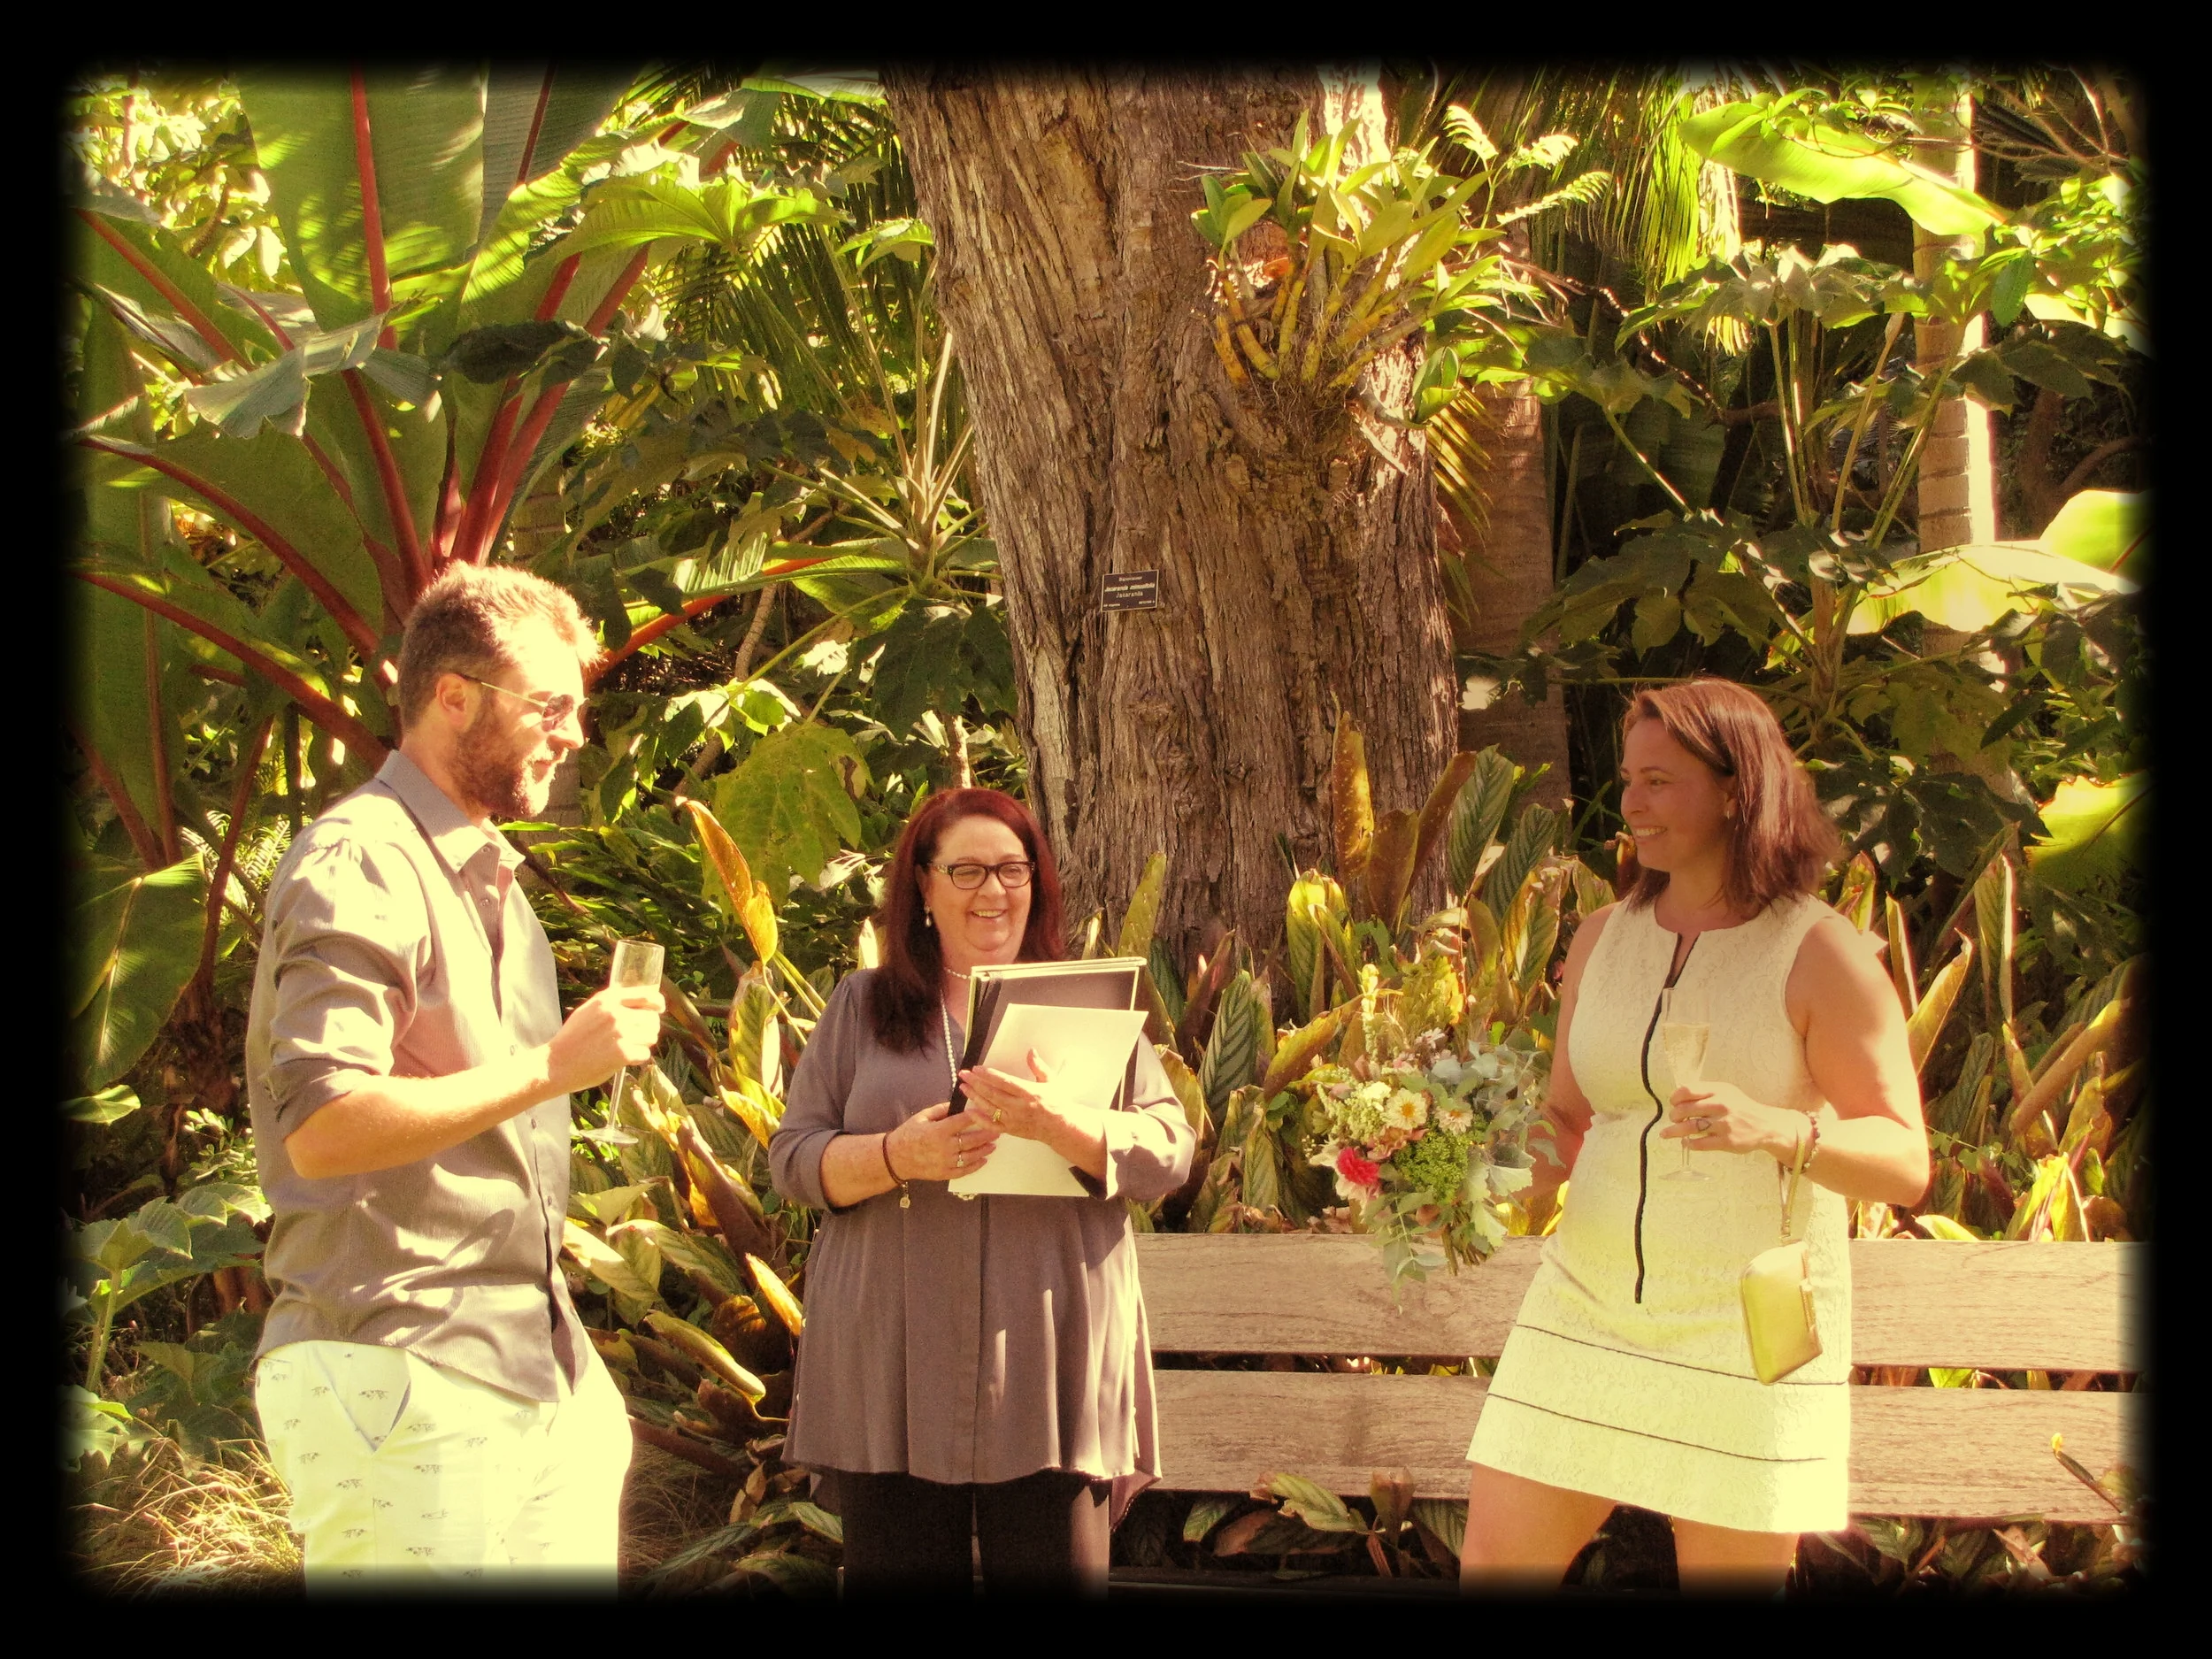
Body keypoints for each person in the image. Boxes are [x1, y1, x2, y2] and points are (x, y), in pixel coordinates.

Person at [246, 565, 664, 1590]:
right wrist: (550, 1067)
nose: (572, 734)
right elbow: (325, 1124)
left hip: (531, 1368)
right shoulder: (361, 862)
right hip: (399, 1361)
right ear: (453, 697)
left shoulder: (498, 891)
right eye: (551, 705)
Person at [1461, 679, 1929, 1594]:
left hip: (1745, 1328)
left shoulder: (1821, 953)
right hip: (1583, 1308)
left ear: (1734, 790)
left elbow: (1906, 1164)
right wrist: (1462, 1192)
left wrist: (1778, 1130)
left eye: (1659, 781)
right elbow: (1565, 1119)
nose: (1631, 803)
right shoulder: (1601, 938)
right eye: (1629, 779)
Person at [768, 787, 1195, 1595]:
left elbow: (1169, 1152)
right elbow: (793, 1158)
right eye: (966, 869)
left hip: (1050, 1355)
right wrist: (899, 1154)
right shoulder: (863, 1006)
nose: (992, 890)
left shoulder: (1090, 1000)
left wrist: (1061, 1124)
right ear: (922, 887)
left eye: (1010, 868)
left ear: (1036, 883)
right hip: (891, 1358)